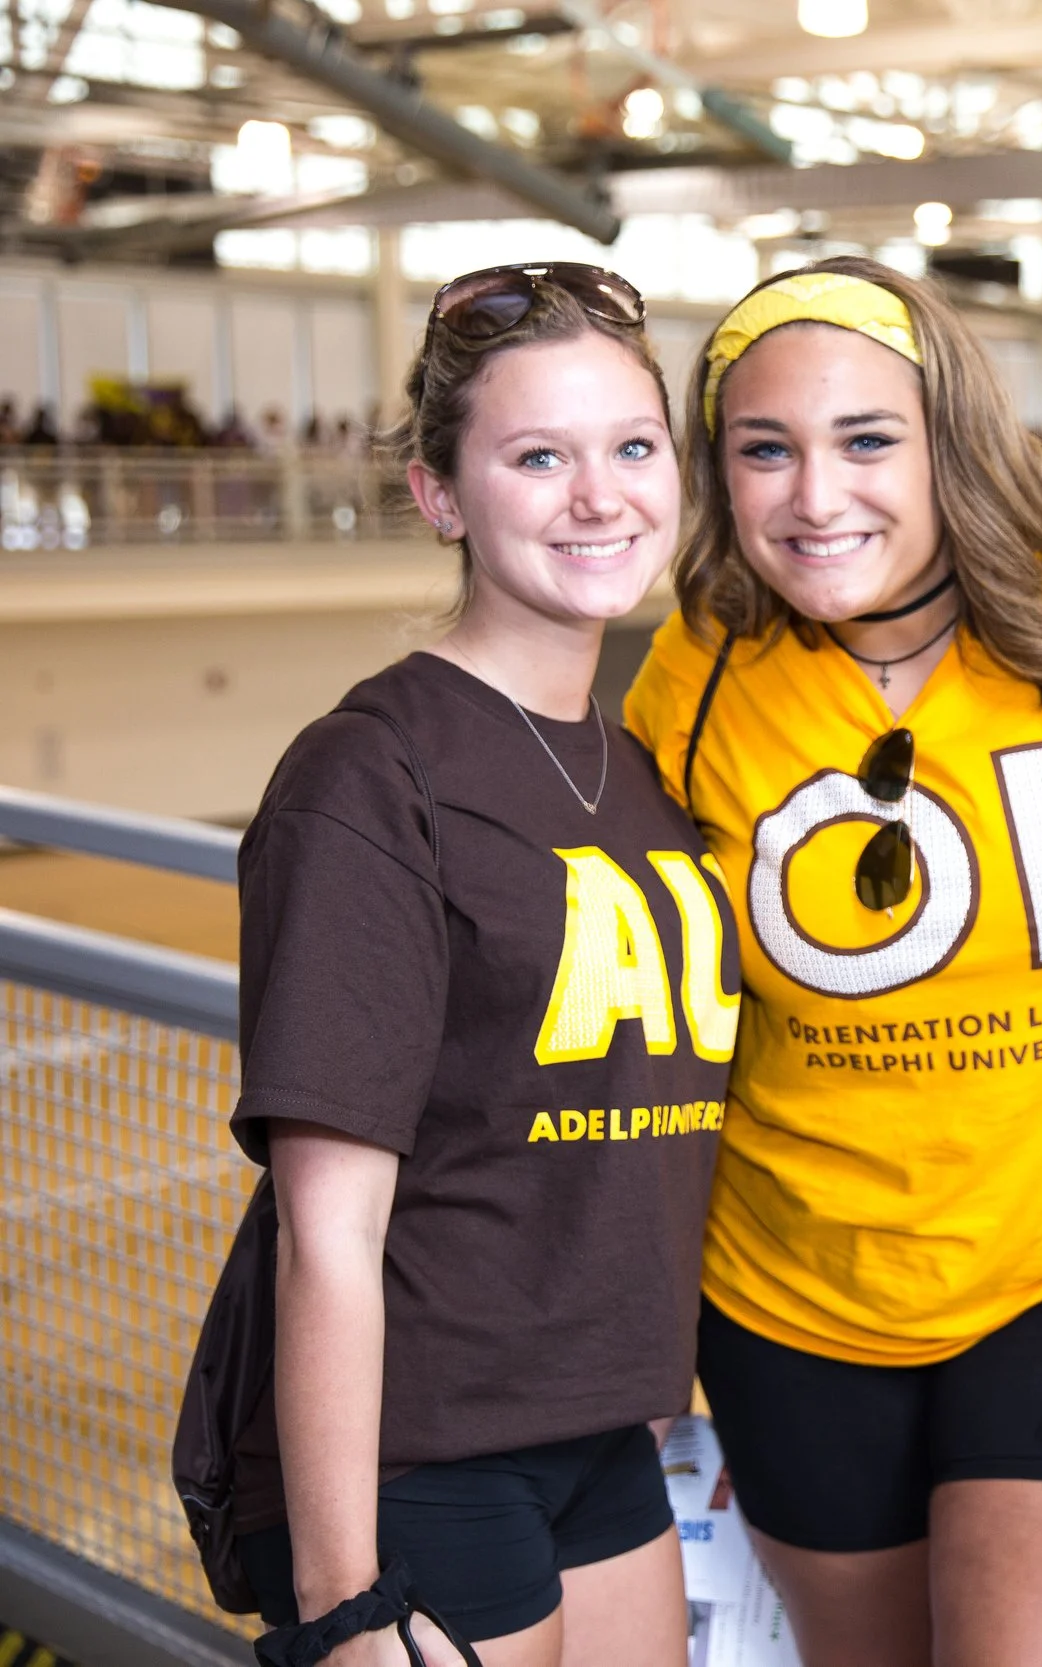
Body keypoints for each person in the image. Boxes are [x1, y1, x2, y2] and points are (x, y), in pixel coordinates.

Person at [621, 257, 1042, 1667]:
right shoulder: (694, 668)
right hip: (792, 1292)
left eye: (867, 438)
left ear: (951, 437)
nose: (818, 496)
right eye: (766, 449)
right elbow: (660, 1014)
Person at [202, 262, 735, 1667]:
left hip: (600, 1430)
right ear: (442, 494)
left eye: (631, 447)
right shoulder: (373, 775)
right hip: (422, 1447)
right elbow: (326, 1227)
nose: (599, 494)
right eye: (537, 456)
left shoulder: (634, 769)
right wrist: (343, 1604)